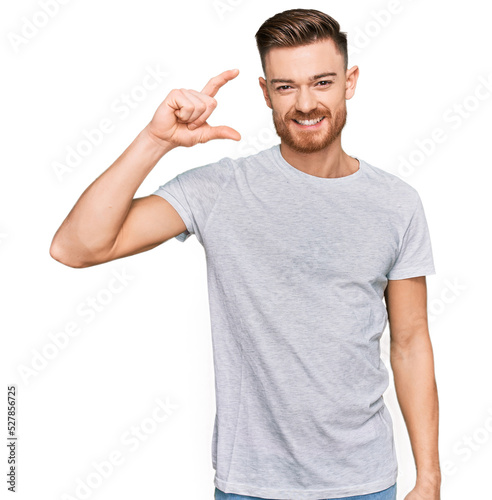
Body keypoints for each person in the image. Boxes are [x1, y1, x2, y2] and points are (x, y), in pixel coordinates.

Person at [50, 8, 441, 500]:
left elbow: (410, 342)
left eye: (322, 82)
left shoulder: (396, 203)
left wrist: (429, 478)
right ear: (264, 92)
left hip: (367, 483)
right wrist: (155, 142)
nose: (305, 103)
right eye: (285, 86)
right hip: (252, 487)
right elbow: (75, 247)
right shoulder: (222, 189)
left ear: (350, 82)